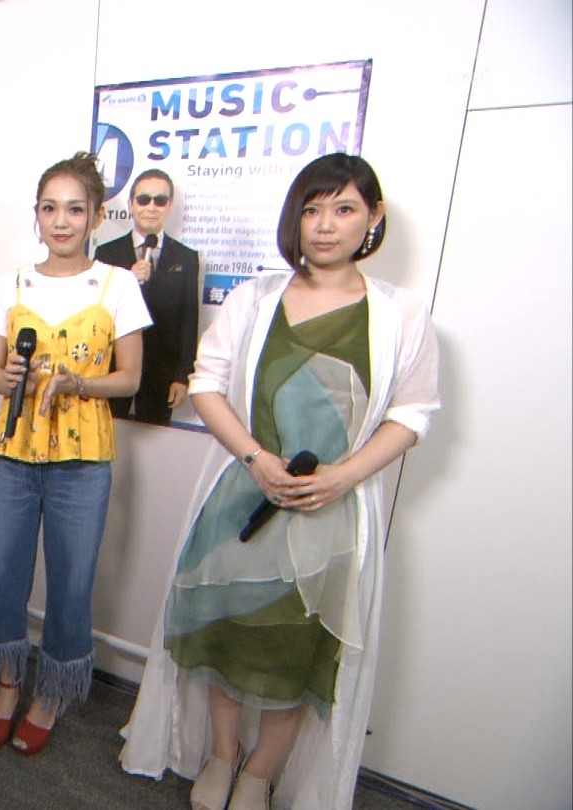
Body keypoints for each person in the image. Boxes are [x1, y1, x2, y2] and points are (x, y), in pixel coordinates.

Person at [119, 154, 440, 810]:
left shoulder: (400, 314)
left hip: (330, 513)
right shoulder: (255, 298)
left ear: (373, 218)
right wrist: (254, 459)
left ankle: (260, 773)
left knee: (296, 651)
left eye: (344, 209)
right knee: (225, 632)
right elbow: (207, 384)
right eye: (312, 210)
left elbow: (413, 413)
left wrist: (342, 478)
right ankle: (221, 755)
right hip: (243, 499)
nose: (325, 225)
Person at [0, 152, 150, 755]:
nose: (61, 221)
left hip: (84, 461)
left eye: (75, 210)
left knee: (72, 581)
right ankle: (7, 682)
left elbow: (130, 378)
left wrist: (79, 383)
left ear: (97, 217)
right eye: (50, 208)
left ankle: (51, 691)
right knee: (5, 574)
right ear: (37, 215)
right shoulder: (11, 284)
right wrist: (10, 376)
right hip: (12, 452)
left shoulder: (118, 284)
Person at [95, 169, 201, 426]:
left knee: (154, 440)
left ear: (170, 205)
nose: (151, 207)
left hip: (161, 372)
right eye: (144, 200)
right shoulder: (107, 253)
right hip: (113, 367)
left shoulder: (186, 257)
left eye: (160, 200)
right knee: (104, 432)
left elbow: (188, 321)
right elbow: (96, 313)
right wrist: (127, 280)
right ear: (131, 204)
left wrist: (182, 376)